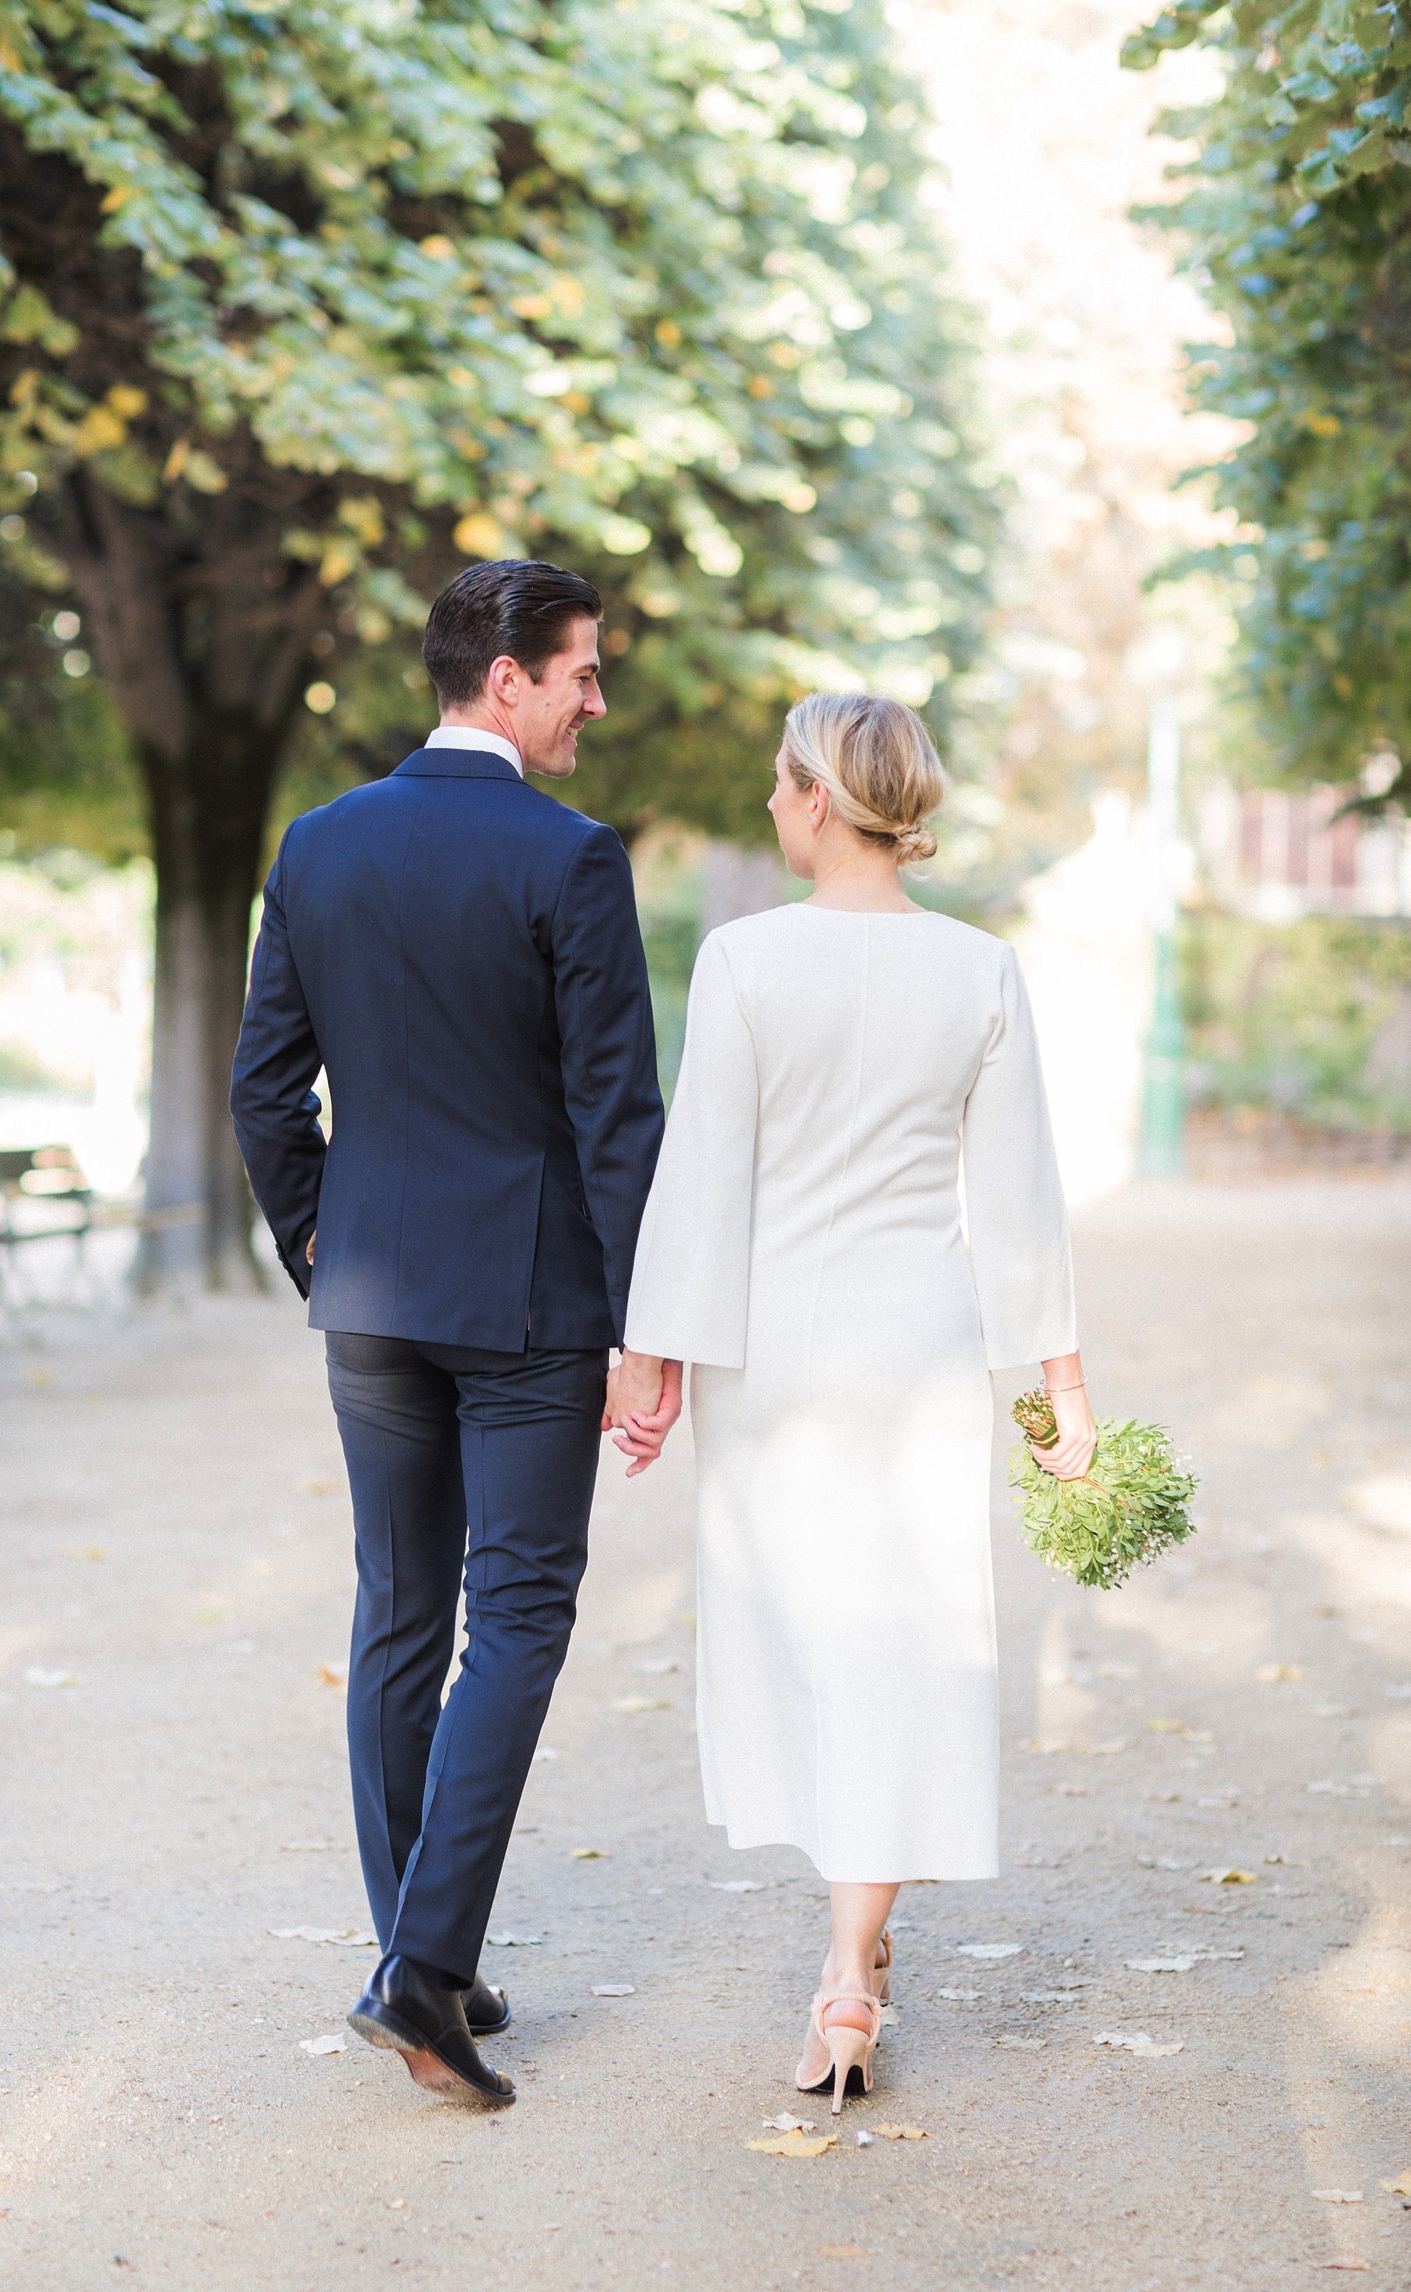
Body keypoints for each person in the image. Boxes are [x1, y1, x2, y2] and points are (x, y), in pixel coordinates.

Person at [613, 693, 1095, 2114]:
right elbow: (1020, 1206)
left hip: (773, 1355)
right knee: (903, 1637)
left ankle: (848, 1957)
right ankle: (851, 1965)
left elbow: (702, 1181)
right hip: (921, 1353)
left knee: (805, 1638)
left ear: (823, 798)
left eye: (779, 778)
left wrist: (650, 1361)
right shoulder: (981, 969)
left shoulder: (746, 959)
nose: (768, 800)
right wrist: (1060, 1389)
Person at [231, 561, 666, 2108]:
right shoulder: (571, 859)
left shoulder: (320, 846)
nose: (594, 700)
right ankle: (422, 1976)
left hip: (373, 1301)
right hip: (533, 1304)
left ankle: (427, 1955)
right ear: (505, 679)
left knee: (399, 1622)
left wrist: (323, 1249)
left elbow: (263, 1094)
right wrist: (647, 1324)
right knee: (521, 1621)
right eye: (580, 674)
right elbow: (618, 1118)